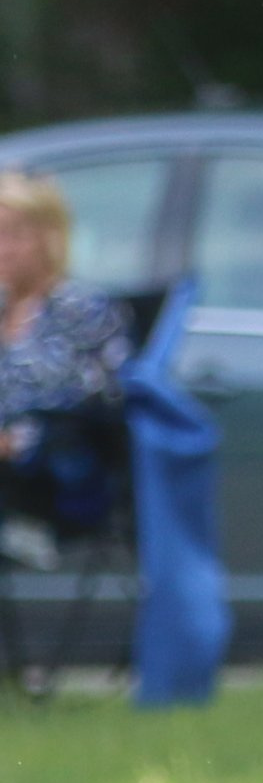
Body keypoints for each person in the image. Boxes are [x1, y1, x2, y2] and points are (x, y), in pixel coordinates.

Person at [0, 171, 131, 531]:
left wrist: (14, 441)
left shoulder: (81, 309)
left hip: (54, 482)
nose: (3, 248)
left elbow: (96, 402)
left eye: (14, 235)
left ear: (49, 237)